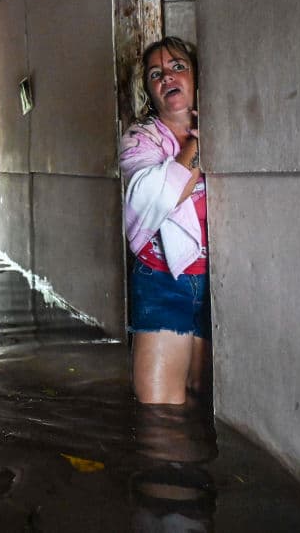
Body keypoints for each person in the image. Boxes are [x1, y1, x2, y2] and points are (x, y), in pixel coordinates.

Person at [119, 37, 210, 405]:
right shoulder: (138, 141)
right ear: (149, 92)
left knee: (204, 404)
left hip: (219, 283)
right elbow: (158, 197)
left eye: (177, 67)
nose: (167, 77)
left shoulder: (232, 124)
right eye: (156, 74)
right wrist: (202, 143)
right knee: (161, 415)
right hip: (162, 281)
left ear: (196, 75)